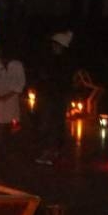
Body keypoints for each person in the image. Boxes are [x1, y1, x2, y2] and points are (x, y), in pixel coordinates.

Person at [34, 31, 77, 165]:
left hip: (56, 97)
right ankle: (51, 151)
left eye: (56, 44)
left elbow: (63, 80)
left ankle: (51, 152)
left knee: (53, 124)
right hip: (49, 96)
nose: (53, 46)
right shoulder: (51, 59)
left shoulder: (64, 62)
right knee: (49, 124)